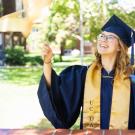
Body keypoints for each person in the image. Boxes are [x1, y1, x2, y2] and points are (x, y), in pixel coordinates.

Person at [37, 15, 135, 129]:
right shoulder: (84, 74)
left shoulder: (130, 77)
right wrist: (47, 62)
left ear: (120, 46)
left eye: (110, 37)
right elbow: (55, 89)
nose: (103, 39)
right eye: (102, 35)